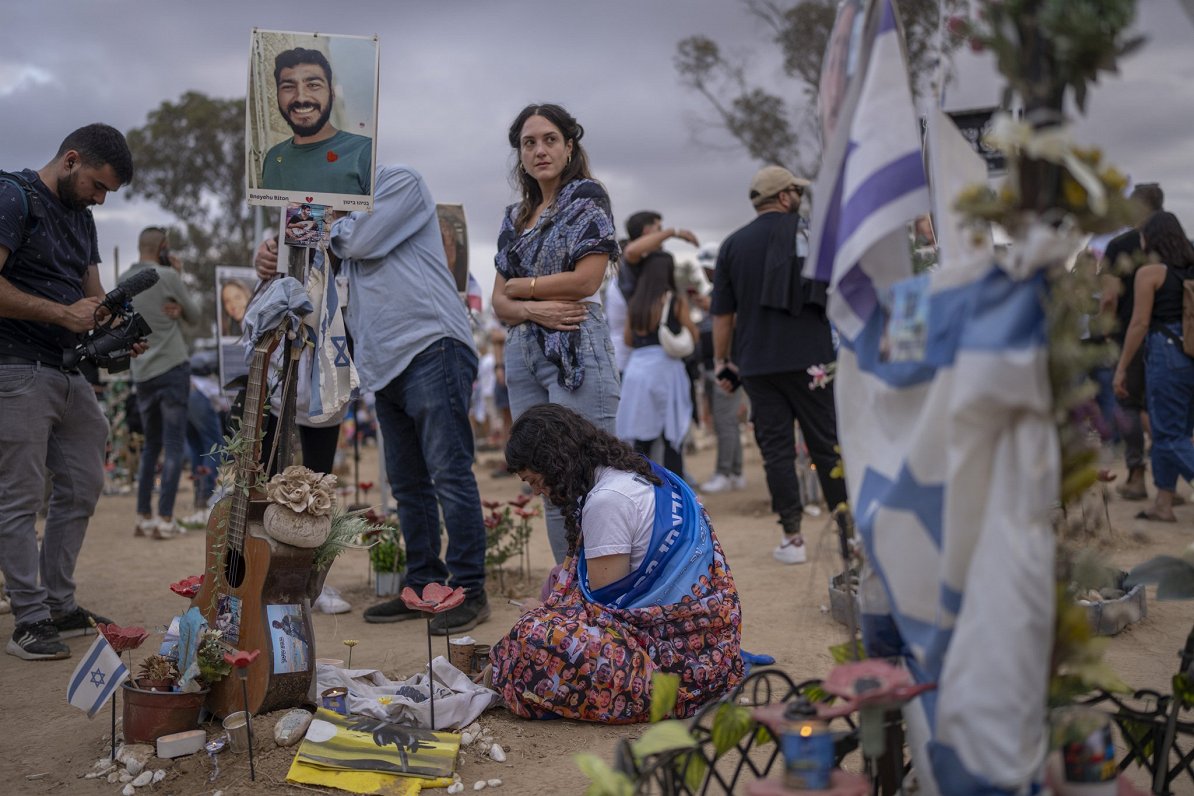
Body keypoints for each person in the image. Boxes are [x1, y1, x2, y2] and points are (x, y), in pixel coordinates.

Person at [256, 164, 489, 634]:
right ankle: (424, 583)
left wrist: (318, 224)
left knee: (448, 473)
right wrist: (276, 254)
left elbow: (358, 241)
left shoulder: (397, 181)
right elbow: (314, 269)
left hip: (432, 343)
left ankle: (469, 590)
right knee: (409, 484)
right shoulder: (343, 213)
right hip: (385, 363)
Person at [490, 404, 744, 723]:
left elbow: (603, 612)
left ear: (553, 463)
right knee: (553, 594)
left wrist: (542, 614)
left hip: (680, 662)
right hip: (713, 645)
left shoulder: (606, 502)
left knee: (532, 636)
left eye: (535, 480)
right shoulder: (630, 471)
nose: (537, 492)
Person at [0, 123, 135, 660]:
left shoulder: (83, 218)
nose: (100, 200)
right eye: (98, 187)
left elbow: (94, 297)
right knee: (20, 497)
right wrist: (62, 313)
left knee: (82, 483)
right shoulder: (13, 195)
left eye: (109, 195)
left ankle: (58, 603)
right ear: (71, 160)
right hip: (14, 367)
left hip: (68, 369)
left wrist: (119, 329)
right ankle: (28, 619)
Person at [490, 103, 622, 564]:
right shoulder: (514, 217)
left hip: (575, 343)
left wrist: (524, 290)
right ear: (520, 154)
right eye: (529, 143)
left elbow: (587, 280)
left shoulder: (587, 198)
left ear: (569, 146)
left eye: (549, 140)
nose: (539, 150)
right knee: (546, 477)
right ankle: (570, 591)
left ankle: (604, 595)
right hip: (524, 351)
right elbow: (498, 304)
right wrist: (535, 311)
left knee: (588, 476)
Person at [711, 166, 845, 565]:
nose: (799, 198)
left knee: (777, 451)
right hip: (813, 361)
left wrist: (723, 361)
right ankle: (848, 534)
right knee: (827, 444)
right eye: (796, 192)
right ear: (785, 197)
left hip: (758, 364)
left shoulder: (732, 245)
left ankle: (792, 538)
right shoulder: (809, 234)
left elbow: (722, 316)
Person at [1112, 211, 1194, 523]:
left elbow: (1139, 324)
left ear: (1151, 238)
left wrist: (1122, 367)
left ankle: (1165, 500)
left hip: (1167, 355)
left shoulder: (1150, 273)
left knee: (1168, 437)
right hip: (1191, 354)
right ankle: (1163, 503)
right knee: (1177, 434)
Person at [124, 227, 200, 540]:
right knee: (171, 446)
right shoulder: (167, 276)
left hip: (142, 374)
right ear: (164, 247)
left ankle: (143, 516)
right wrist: (179, 282)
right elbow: (194, 316)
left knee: (150, 445)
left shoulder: (123, 280)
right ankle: (166, 518)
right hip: (171, 368)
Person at [615, 212, 700, 476]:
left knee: (642, 438)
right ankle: (676, 492)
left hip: (637, 370)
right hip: (666, 369)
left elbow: (629, 339)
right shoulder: (673, 300)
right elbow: (693, 335)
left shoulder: (635, 301)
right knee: (670, 436)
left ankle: (640, 489)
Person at [1101, 183, 1165, 501]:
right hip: (1172, 339)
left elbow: (1109, 297)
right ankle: (1169, 484)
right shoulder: (1180, 243)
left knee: (1127, 402)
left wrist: (1107, 330)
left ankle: (1137, 476)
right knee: (1167, 409)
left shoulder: (1118, 246)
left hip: (1130, 335)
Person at [260, 47, 372, 196]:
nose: (301, 98)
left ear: (331, 93)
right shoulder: (273, 157)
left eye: (313, 85)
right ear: (277, 95)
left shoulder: (366, 152)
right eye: (288, 87)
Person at [693, 243, 746, 493]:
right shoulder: (721, 289)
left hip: (727, 365)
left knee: (725, 421)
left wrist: (710, 307)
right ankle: (734, 472)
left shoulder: (729, 290)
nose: (706, 273)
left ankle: (726, 472)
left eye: (708, 267)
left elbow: (734, 320)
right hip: (721, 364)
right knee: (727, 421)